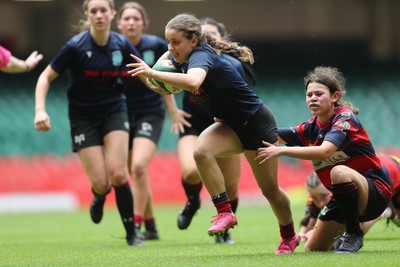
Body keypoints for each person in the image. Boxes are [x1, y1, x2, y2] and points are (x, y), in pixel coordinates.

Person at [127, 13, 299, 254]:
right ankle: (225, 212)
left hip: (256, 124)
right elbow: (159, 81)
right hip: (230, 124)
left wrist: (152, 73)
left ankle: (289, 235)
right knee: (201, 151)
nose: (170, 47)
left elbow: (193, 82)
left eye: (176, 41)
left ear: (194, 40)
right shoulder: (178, 55)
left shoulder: (201, 55)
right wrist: (151, 74)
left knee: (269, 190)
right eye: (168, 40)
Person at [34, 0, 144, 246]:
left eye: (103, 10)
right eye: (93, 11)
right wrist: (40, 110)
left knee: (118, 173)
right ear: (87, 15)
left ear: (112, 14)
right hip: (83, 117)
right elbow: (45, 77)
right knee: (102, 183)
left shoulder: (121, 43)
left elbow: (141, 72)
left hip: (115, 111)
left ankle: (131, 234)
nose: (99, 15)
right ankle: (99, 195)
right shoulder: (75, 46)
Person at [255, 66, 393, 253]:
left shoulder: (345, 118)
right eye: (309, 94)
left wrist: (280, 151)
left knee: (338, 171)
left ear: (335, 96)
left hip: (375, 192)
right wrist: (238, 125)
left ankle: (353, 234)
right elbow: (268, 134)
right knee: (313, 249)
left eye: (319, 93)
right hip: (343, 197)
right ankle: (340, 241)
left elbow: (325, 152)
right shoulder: (309, 128)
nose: (313, 98)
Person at [175, 17, 254, 245]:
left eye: (212, 35)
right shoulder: (185, 61)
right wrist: (173, 111)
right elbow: (163, 80)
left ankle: (225, 230)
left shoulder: (234, 65)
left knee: (230, 186)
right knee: (190, 171)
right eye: (203, 35)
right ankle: (192, 201)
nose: (206, 39)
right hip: (194, 125)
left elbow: (241, 101)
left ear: (221, 40)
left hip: (224, 126)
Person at [116, 1, 189, 241]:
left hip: (150, 112)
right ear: (119, 23)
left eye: (136, 18)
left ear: (143, 23)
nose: (131, 22)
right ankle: (152, 227)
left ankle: (135, 225)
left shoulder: (157, 45)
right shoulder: (112, 47)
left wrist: (173, 111)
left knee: (138, 166)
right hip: (119, 115)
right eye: (126, 18)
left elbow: (167, 81)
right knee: (135, 172)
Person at [299, 163, 400, 243]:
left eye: (323, 196)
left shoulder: (345, 184)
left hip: (395, 172)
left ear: (332, 185)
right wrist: (301, 234)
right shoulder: (318, 191)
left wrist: (317, 233)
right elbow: (309, 219)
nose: (320, 204)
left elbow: (358, 225)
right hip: (379, 172)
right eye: (315, 198)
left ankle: (386, 211)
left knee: (356, 223)